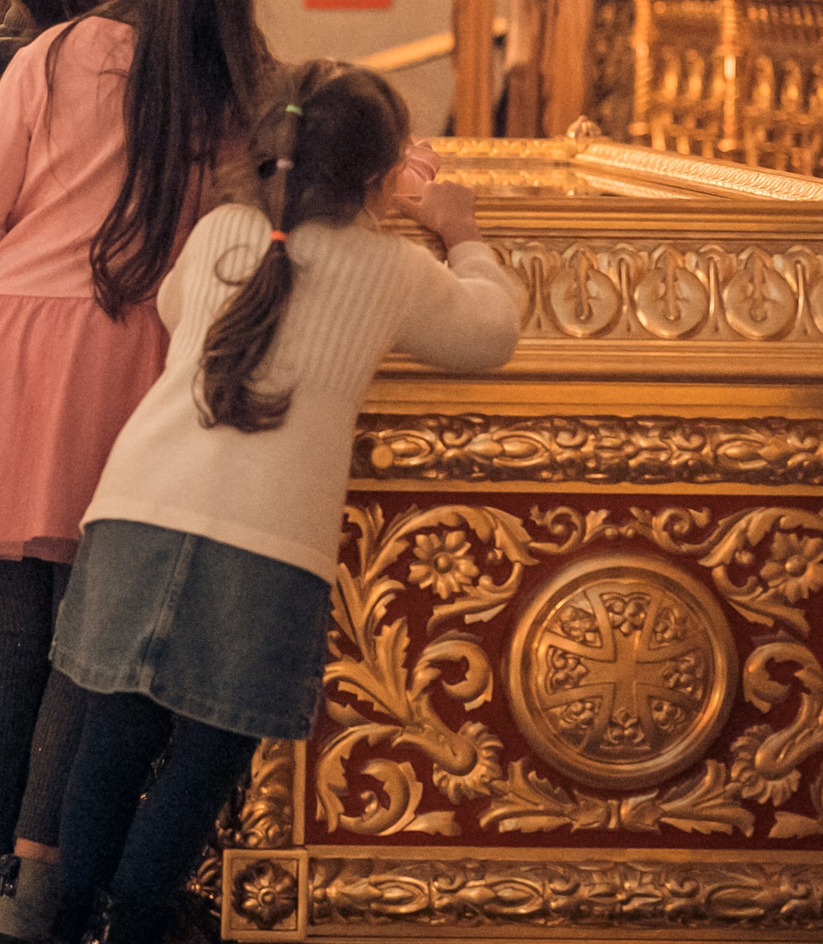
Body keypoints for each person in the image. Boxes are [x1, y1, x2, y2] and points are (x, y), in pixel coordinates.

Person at [0, 0, 269, 944]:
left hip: (5, 334)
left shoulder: (53, 51)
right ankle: (33, 895)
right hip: (127, 351)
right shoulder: (236, 77)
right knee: (84, 643)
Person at [47, 63, 518, 944]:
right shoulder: (389, 269)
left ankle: (73, 919)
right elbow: (491, 333)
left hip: (138, 507)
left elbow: (174, 306)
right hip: (263, 546)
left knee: (110, 738)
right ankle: (135, 920)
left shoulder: (222, 230)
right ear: (381, 181)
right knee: (210, 753)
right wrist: (463, 234)